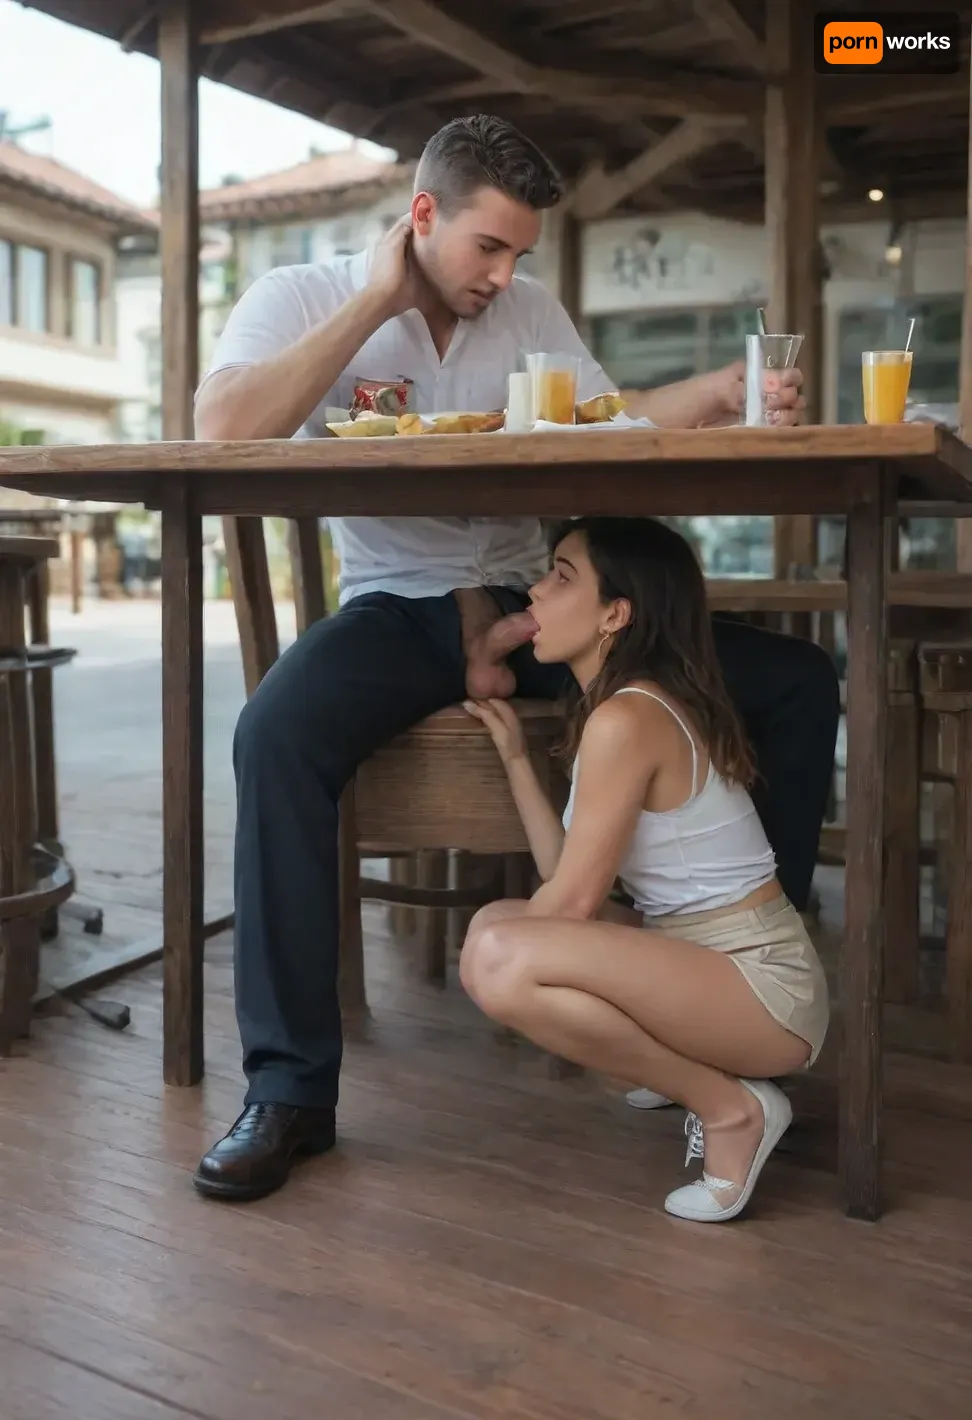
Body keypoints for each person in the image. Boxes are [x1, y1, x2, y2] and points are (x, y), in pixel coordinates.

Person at [191, 114, 837, 1203]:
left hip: (540, 605)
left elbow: (612, 426)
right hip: (400, 609)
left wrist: (720, 394)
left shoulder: (527, 310)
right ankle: (290, 1091)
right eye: (487, 247)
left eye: (519, 254)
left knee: (796, 680)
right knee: (273, 732)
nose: (504, 275)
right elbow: (219, 431)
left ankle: (722, 989)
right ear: (423, 216)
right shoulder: (302, 295)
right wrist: (376, 303)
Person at [460, 517, 830, 1222]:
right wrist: (515, 761)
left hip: (763, 989)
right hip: (704, 961)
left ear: (615, 614)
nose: (534, 590)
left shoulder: (628, 719)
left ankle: (731, 1109)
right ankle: (711, 1081)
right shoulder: (623, 705)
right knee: (496, 929)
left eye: (562, 576)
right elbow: (567, 881)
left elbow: (566, 912)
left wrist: (500, 964)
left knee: (501, 953)